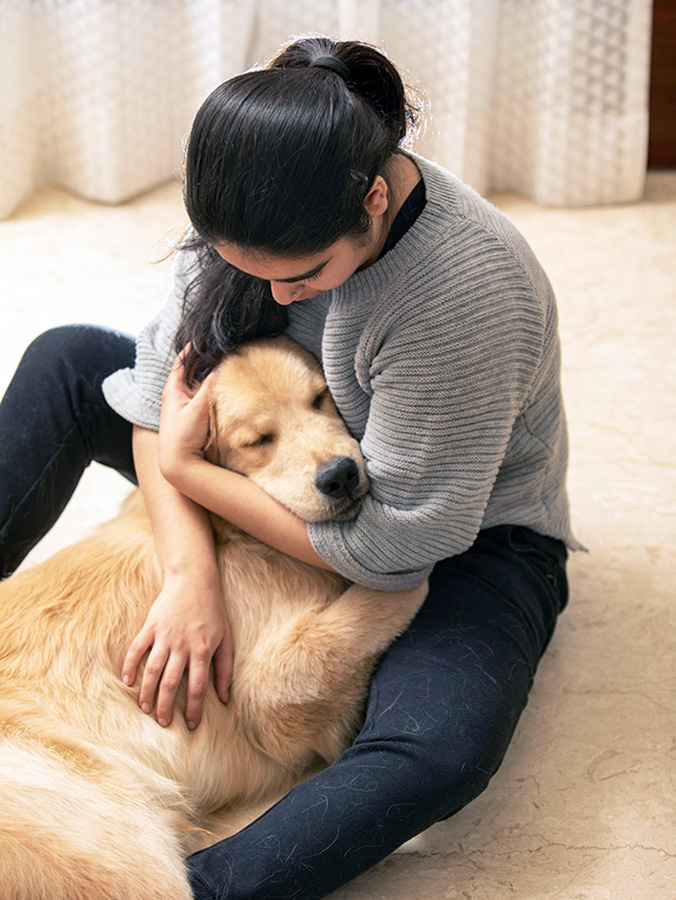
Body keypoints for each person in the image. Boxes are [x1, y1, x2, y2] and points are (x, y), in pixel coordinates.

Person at [0, 35, 581, 900]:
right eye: (245, 272)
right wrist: (190, 570)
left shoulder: (463, 295)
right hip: (268, 459)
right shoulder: (256, 209)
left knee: (441, 746)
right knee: (68, 357)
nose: (272, 299)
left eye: (303, 275)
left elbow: (389, 553)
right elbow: (159, 392)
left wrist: (197, 481)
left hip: (456, 533)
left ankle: (208, 889)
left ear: (374, 200)